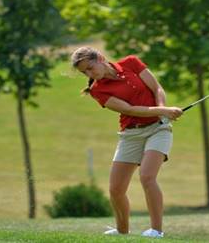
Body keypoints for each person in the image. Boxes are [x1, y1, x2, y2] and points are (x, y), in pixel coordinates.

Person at [70, 47, 182, 238]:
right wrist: (161, 111)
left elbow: (156, 88)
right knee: (116, 189)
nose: (90, 74)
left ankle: (156, 230)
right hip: (130, 134)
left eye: (90, 67)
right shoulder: (98, 90)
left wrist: (162, 109)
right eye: (84, 72)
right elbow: (130, 110)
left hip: (158, 129)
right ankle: (122, 231)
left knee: (147, 176)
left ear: (100, 57)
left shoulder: (131, 62)